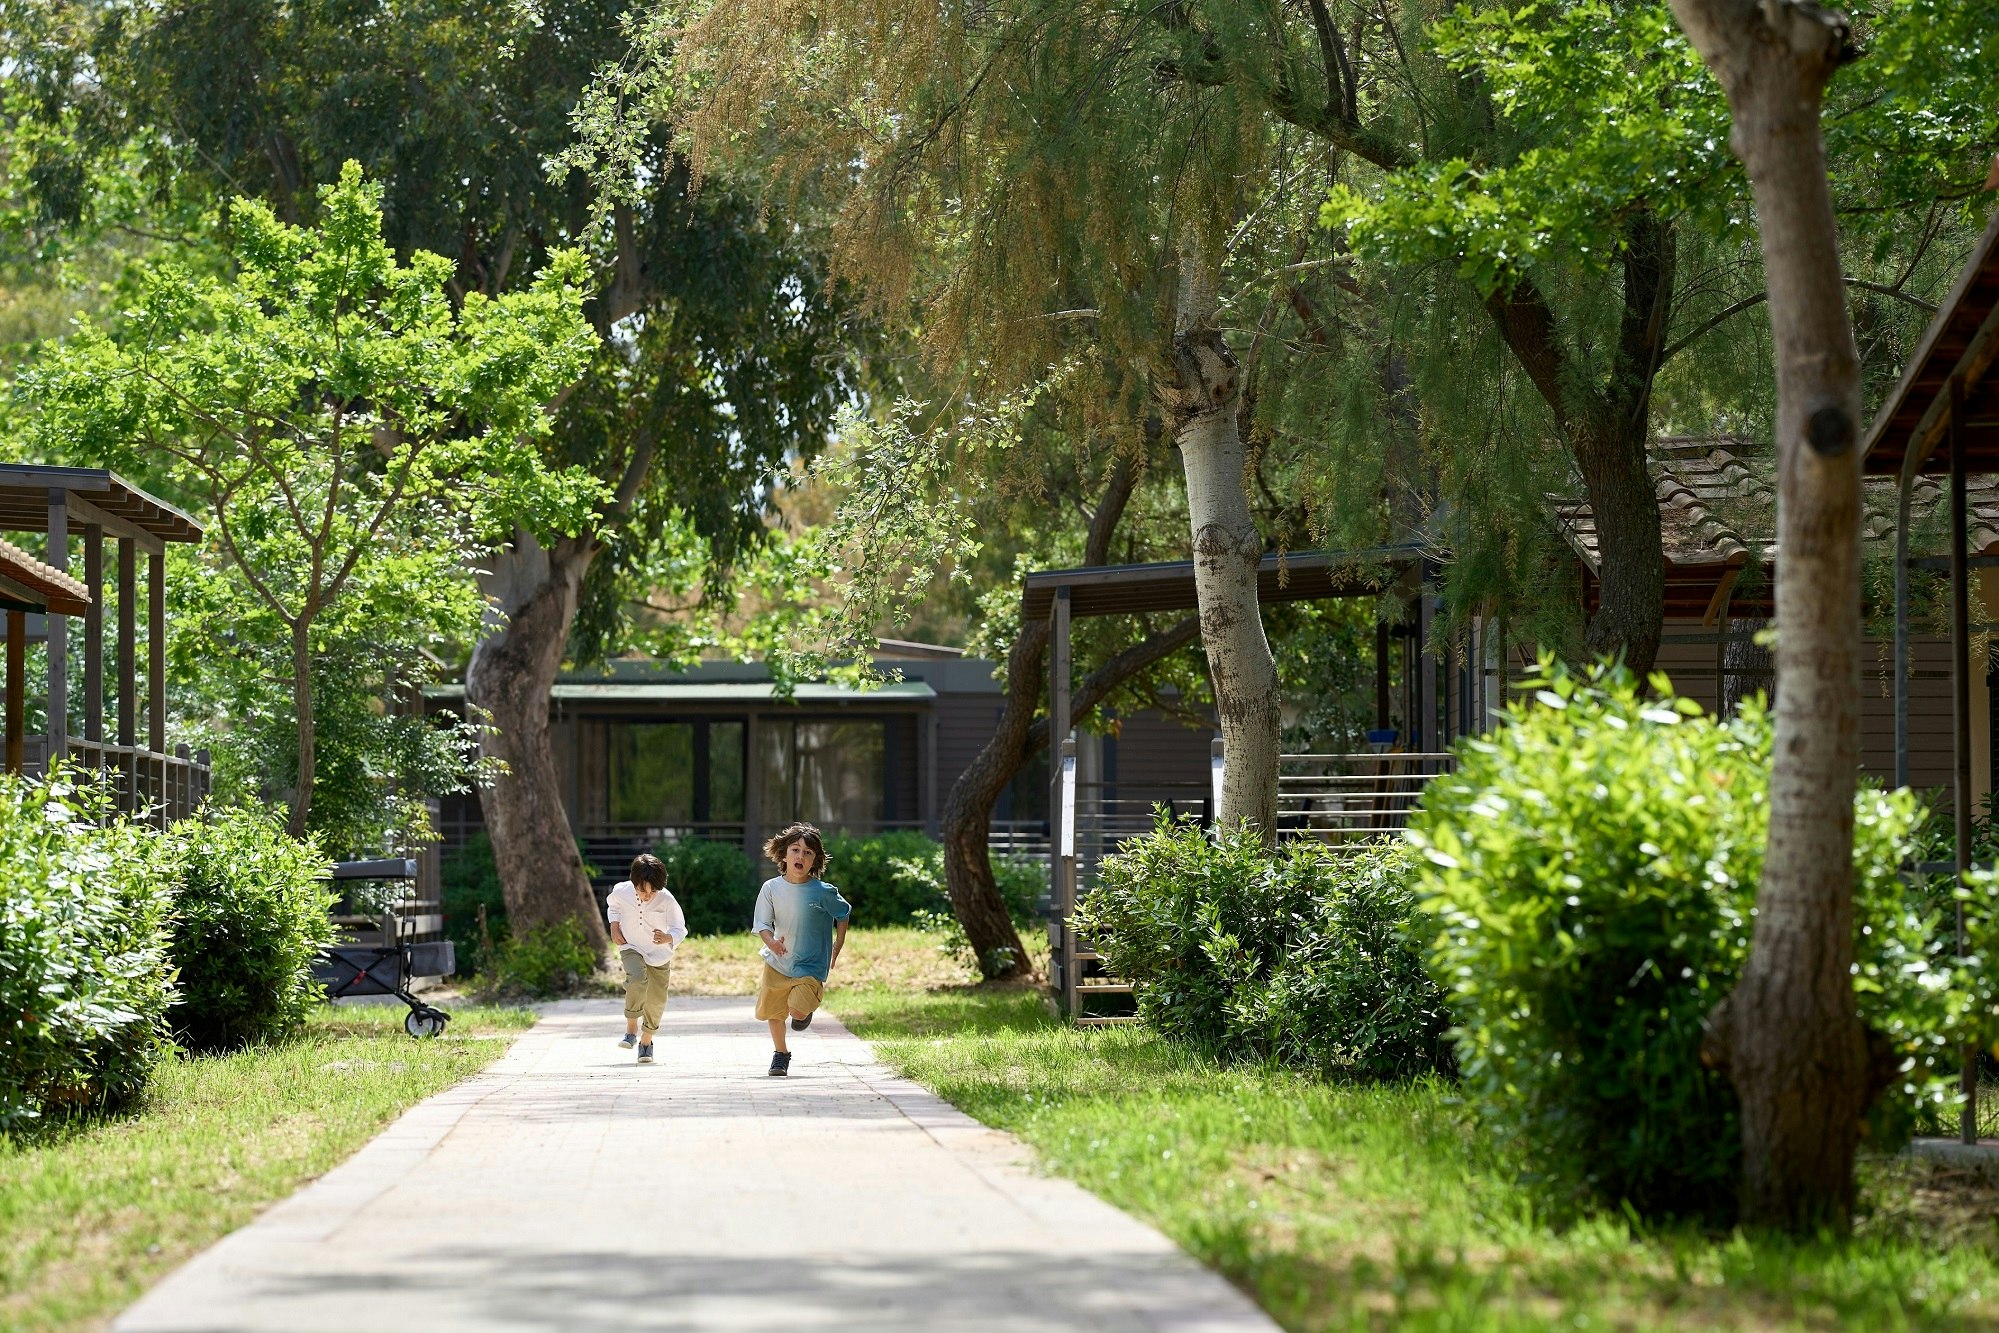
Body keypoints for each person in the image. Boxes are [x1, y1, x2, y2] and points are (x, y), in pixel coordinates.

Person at [752, 823, 852, 1077]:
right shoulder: (771, 888)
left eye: (808, 853)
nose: (800, 856)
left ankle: (804, 1008)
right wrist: (771, 943)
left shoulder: (822, 891)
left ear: (815, 860)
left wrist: (839, 942)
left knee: (796, 1010)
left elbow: (843, 912)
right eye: (795, 850)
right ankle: (781, 1054)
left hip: (810, 964)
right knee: (774, 1012)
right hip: (777, 962)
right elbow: (762, 924)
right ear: (784, 855)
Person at [607, 853, 686, 1065]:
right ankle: (631, 1029)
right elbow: (613, 907)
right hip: (630, 945)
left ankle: (646, 1042)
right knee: (636, 979)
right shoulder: (621, 891)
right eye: (643, 890)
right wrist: (615, 926)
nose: (647, 895)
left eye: (653, 891)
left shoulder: (667, 899)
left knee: (656, 1000)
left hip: (659, 954)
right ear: (634, 882)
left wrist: (669, 937)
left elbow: (680, 929)